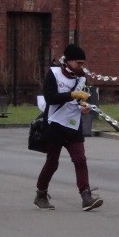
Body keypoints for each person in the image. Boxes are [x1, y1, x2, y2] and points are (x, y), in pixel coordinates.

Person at [33, 44, 103, 211]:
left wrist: (84, 106)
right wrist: (71, 94)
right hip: (55, 124)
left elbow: (81, 100)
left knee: (80, 160)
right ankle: (41, 194)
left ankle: (86, 196)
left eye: (83, 63)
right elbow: (50, 98)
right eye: (78, 63)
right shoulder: (54, 73)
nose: (81, 67)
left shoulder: (81, 79)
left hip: (73, 124)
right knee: (52, 162)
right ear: (68, 61)